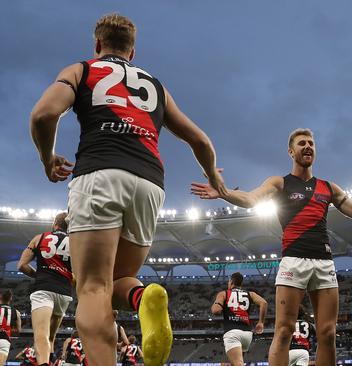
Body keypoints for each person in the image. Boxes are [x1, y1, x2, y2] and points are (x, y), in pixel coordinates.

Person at [29, 13, 226, 366]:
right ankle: (143, 296)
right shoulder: (156, 86)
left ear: (97, 45)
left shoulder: (83, 69)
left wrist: (47, 160)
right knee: (120, 280)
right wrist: (214, 177)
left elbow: (43, 115)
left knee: (91, 288)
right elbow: (201, 141)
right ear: (133, 52)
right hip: (150, 183)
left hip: (100, 173)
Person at [191, 128, 352, 365]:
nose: (308, 146)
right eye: (302, 143)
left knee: (328, 334)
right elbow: (250, 199)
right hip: (294, 261)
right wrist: (223, 192)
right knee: (283, 331)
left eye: (311, 143)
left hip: (324, 262)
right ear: (291, 152)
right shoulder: (279, 183)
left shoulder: (329, 188)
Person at [17, 213, 72, 366]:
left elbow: (21, 265)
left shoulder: (39, 237)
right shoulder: (76, 241)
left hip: (43, 288)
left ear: (55, 223)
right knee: (51, 338)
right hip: (64, 292)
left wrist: (38, 275)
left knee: (41, 335)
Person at [211, 272, 267, 366]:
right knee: (230, 363)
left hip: (232, 333)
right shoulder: (250, 294)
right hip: (247, 334)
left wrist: (216, 305)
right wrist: (261, 322)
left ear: (231, 282)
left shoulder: (224, 293)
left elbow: (216, 311)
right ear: (241, 283)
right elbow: (263, 303)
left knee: (238, 364)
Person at [0, 289, 22, 365]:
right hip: (5, 340)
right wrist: (7, 330)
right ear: (11, 298)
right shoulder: (16, 312)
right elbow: (18, 330)